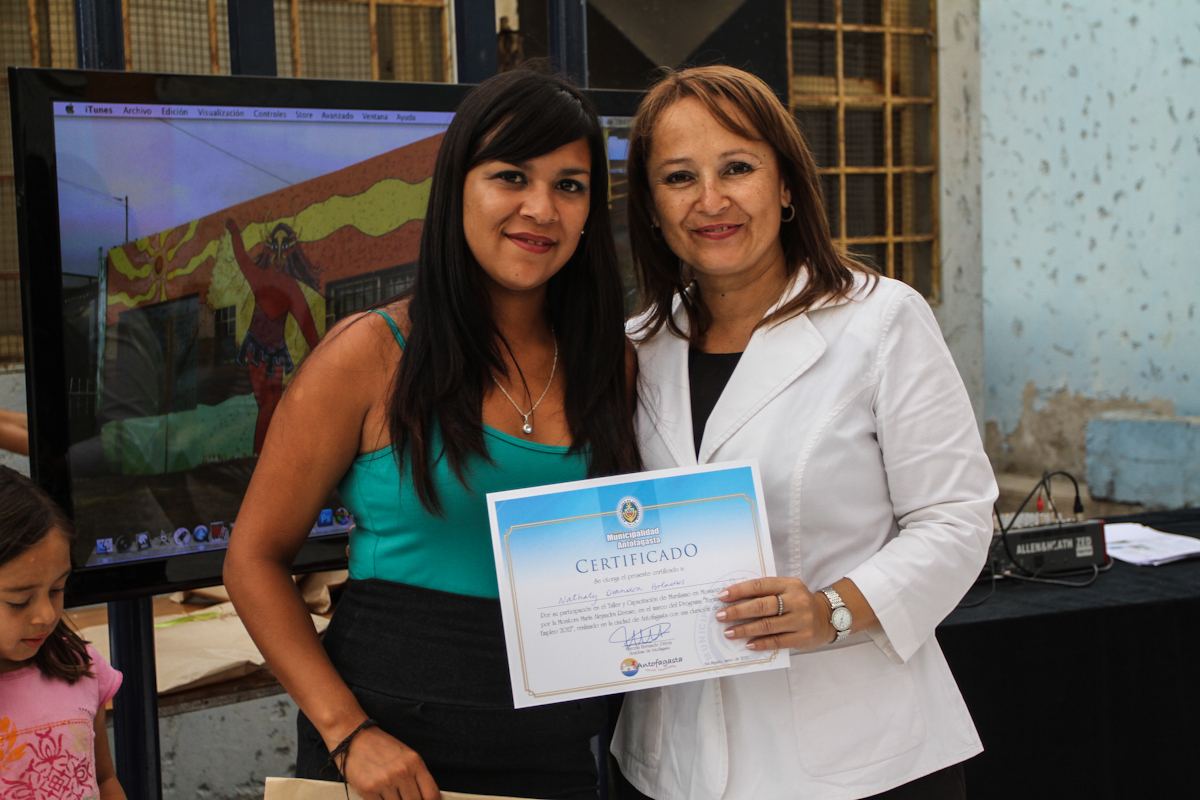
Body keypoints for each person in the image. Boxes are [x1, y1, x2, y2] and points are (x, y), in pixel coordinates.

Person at [224, 67, 641, 800]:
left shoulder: (615, 364)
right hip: (391, 763)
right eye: (511, 176)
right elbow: (253, 560)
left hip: (564, 754)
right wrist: (349, 735)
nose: (541, 208)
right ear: (457, 188)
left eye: (570, 185)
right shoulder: (369, 353)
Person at [611, 66, 998, 800]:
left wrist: (833, 610)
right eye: (679, 177)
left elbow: (954, 519)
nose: (711, 200)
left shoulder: (882, 321)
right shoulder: (634, 348)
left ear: (786, 185)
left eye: (737, 168)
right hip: (673, 763)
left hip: (858, 763)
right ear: (652, 207)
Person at [0, 465, 126, 800]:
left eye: (57, 589)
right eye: (19, 601)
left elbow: (105, 778)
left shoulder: (79, 664)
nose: (45, 615)